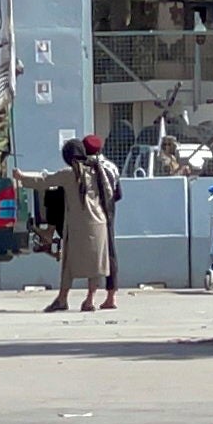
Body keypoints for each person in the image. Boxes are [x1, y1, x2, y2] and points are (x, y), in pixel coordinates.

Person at [15, 140, 111, 312]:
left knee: (68, 264)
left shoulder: (69, 174)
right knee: (95, 266)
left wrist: (21, 177)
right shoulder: (97, 171)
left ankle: (62, 299)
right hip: (99, 224)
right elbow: (109, 193)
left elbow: (44, 180)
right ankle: (89, 300)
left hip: (77, 226)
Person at [83, 133, 123, 310]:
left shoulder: (85, 168)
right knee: (110, 253)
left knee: (94, 254)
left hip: (91, 213)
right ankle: (111, 297)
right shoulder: (112, 167)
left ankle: (90, 297)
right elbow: (118, 194)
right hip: (109, 212)